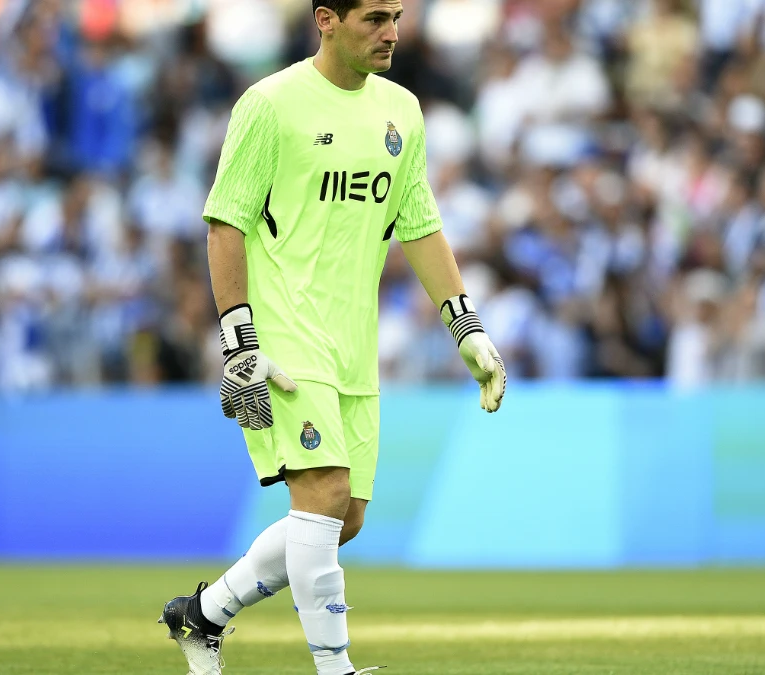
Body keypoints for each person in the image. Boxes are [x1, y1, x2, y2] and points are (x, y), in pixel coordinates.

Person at [156, 2, 508, 675]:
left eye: (397, 16)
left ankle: (199, 617)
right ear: (326, 19)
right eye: (374, 17)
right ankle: (336, 669)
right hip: (284, 332)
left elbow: (422, 226)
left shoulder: (402, 110)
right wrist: (240, 342)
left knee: (344, 516)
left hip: (354, 341)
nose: (392, 32)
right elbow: (225, 223)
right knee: (321, 493)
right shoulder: (270, 104)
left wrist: (467, 327)